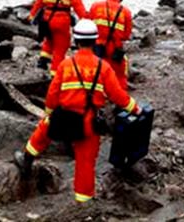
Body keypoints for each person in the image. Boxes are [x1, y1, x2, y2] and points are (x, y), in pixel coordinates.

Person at [14, 20, 142, 203]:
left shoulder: (66, 65)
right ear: (95, 40)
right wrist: (135, 108)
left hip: (64, 116)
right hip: (87, 122)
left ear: (76, 40)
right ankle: (83, 201)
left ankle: (27, 159)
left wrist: (49, 111)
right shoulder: (103, 67)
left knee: (44, 128)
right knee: (85, 163)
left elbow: (52, 93)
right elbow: (117, 95)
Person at [28, 0, 88, 77]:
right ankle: (55, 73)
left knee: (49, 39)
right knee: (61, 46)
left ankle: (43, 60)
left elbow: (38, 3)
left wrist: (31, 16)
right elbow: (78, 6)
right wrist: (86, 19)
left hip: (47, 19)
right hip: (62, 21)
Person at [88, 0, 132, 90]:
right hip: (115, 49)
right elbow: (126, 35)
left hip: (96, 47)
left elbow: (88, 26)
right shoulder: (126, 12)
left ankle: (96, 95)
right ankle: (120, 101)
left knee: (95, 72)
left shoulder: (95, 6)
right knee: (120, 75)